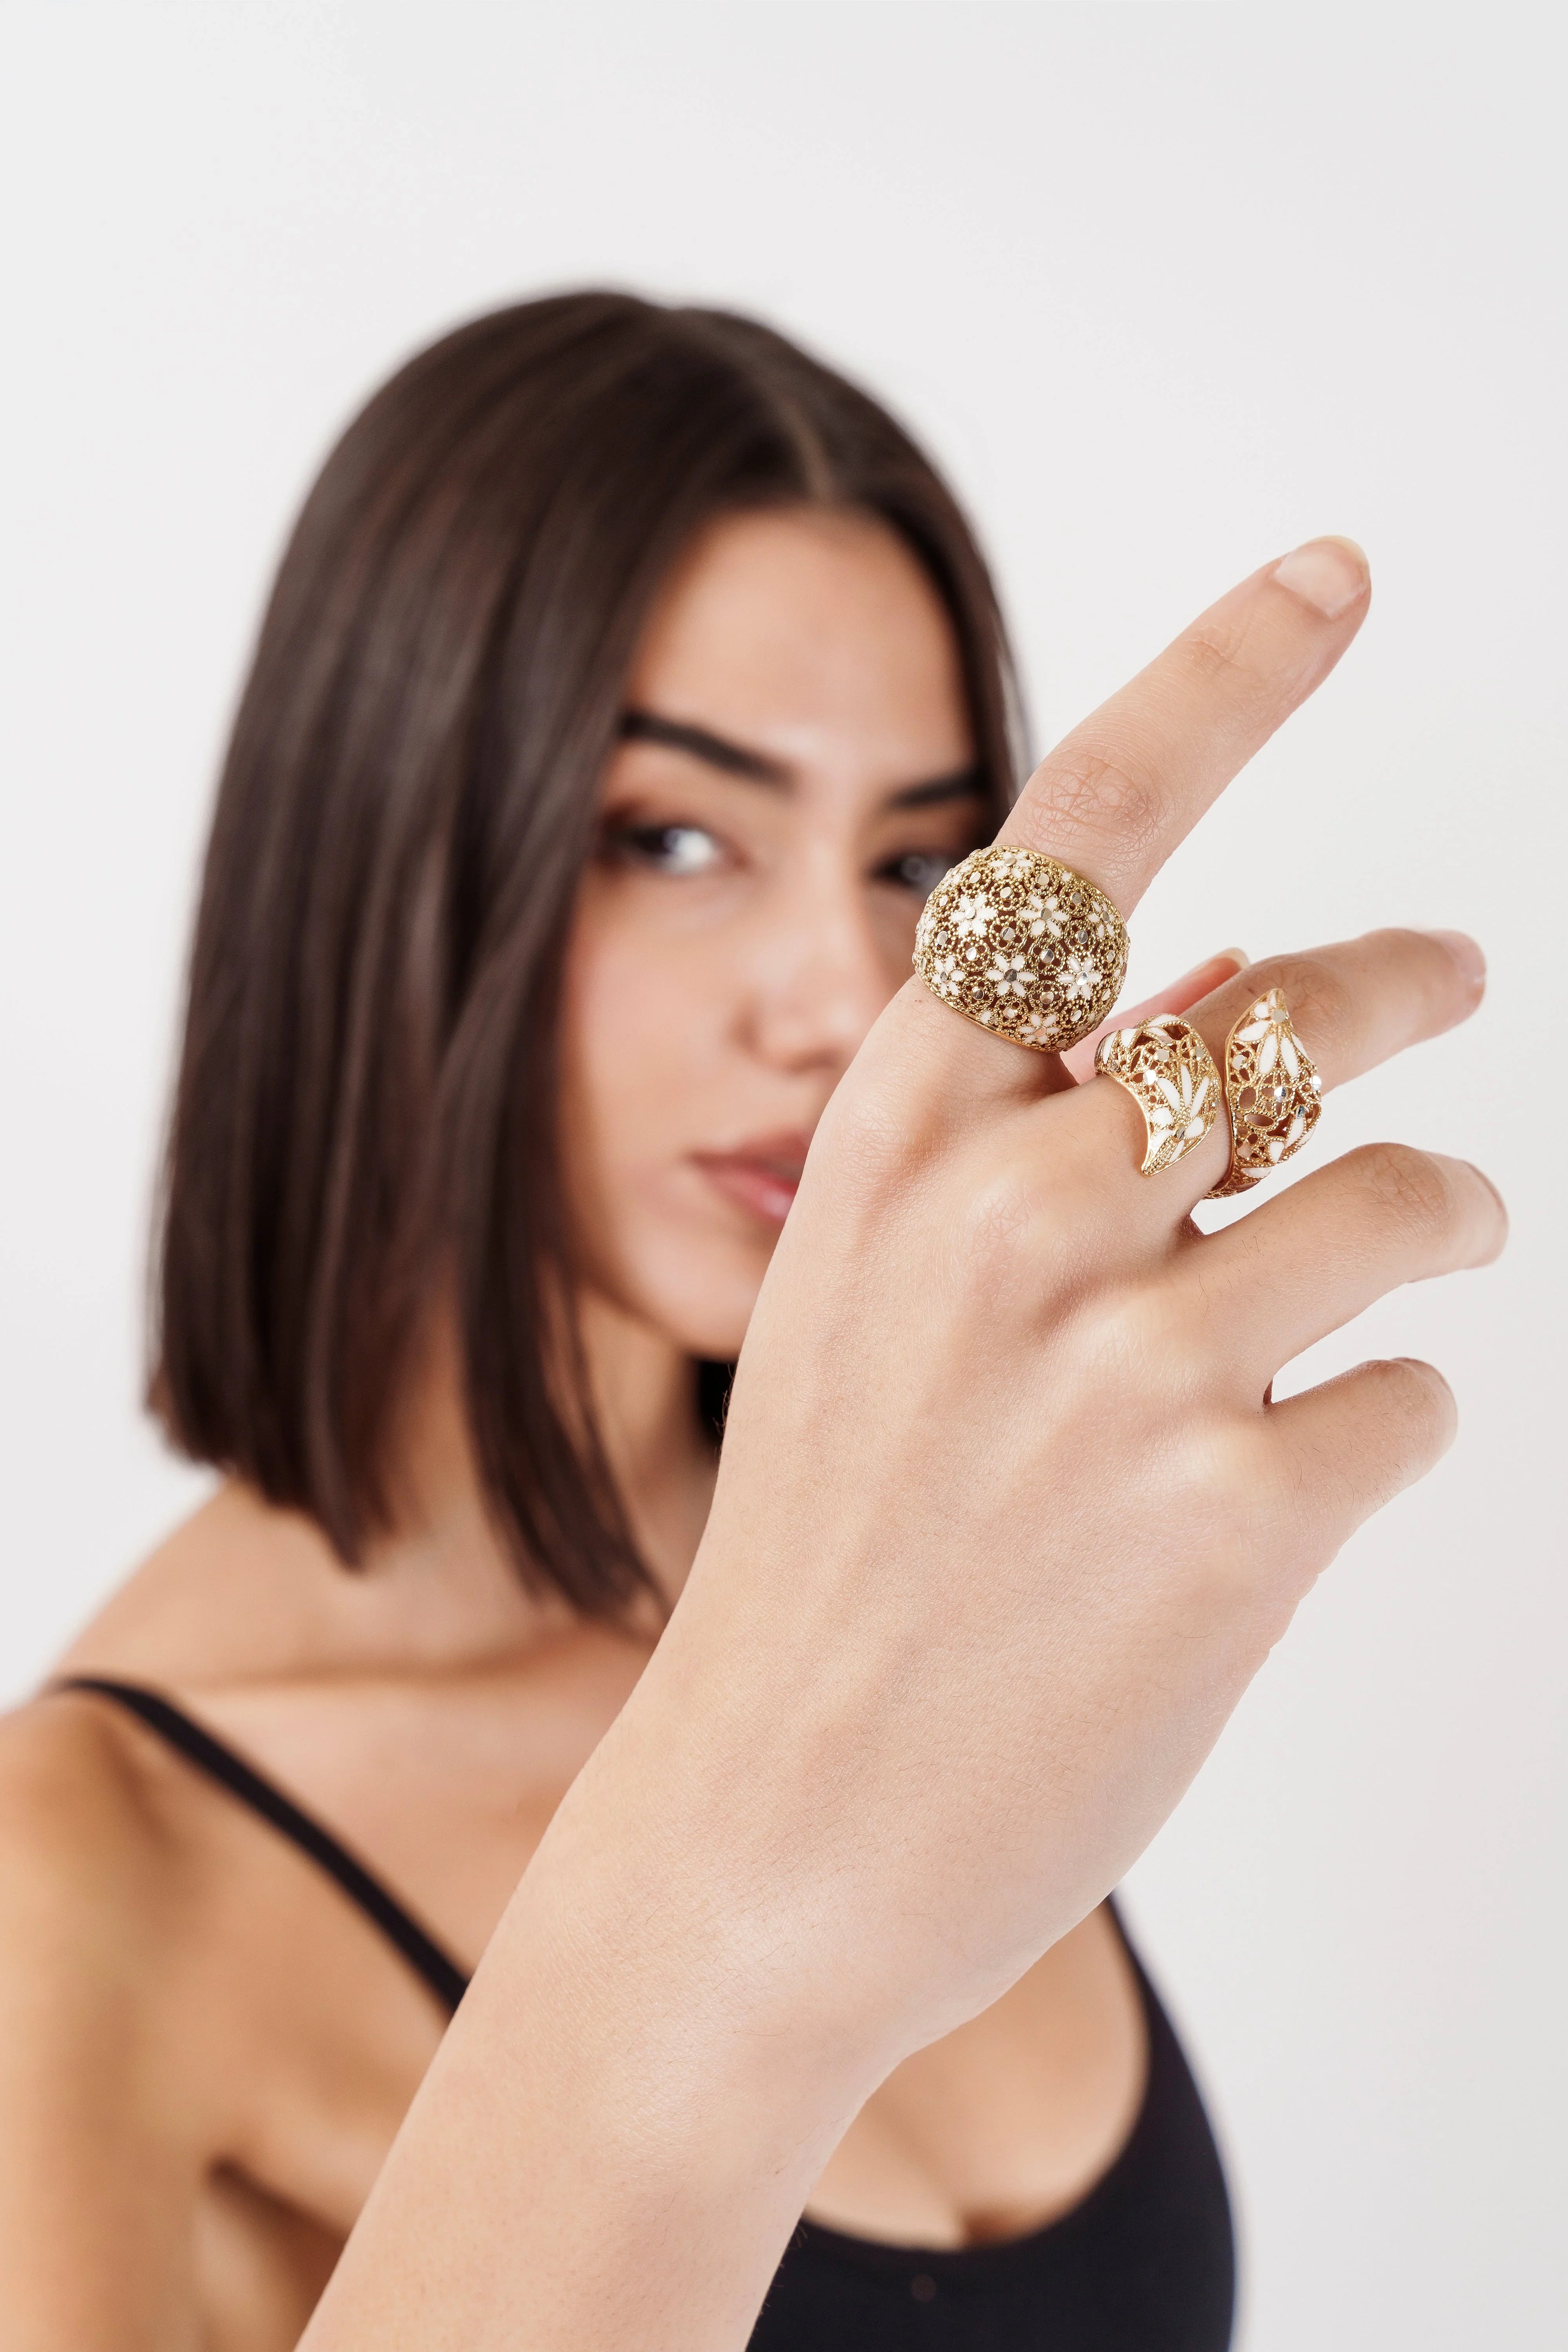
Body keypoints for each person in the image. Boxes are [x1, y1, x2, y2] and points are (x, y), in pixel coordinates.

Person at [0, 293, 1500, 2352]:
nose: (844, 998)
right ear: (372, 858)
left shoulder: (891, 1560)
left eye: (916, 858)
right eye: (674, 839)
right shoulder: (77, 1895)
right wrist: (731, 1909)